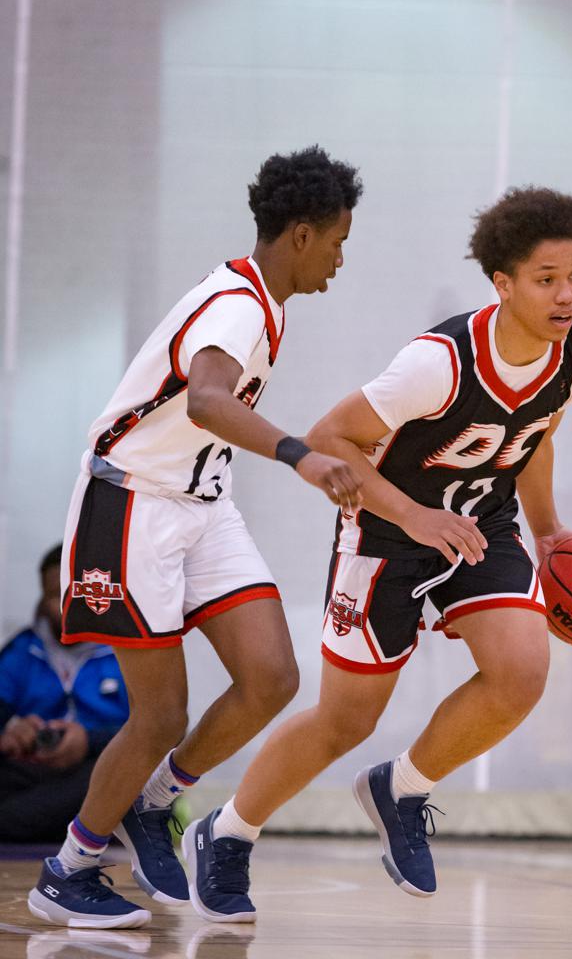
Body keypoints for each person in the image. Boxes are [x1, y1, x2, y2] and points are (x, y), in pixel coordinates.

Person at [177, 185, 572, 921]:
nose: (566, 295)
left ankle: (400, 788)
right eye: (546, 280)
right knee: (345, 721)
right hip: (384, 529)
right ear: (501, 285)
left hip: (480, 526)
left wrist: (551, 531)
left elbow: (534, 441)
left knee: (521, 672)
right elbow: (329, 436)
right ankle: (228, 832)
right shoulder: (437, 361)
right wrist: (414, 516)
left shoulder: (571, 360)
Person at [28, 146, 364, 929]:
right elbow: (209, 402)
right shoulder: (238, 306)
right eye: (341, 241)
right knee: (159, 717)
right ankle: (67, 869)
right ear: (304, 233)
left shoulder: (261, 301)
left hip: (202, 503)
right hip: (132, 506)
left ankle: (157, 801)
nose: (342, 259)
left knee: (272, 677)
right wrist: (300, 455)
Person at [0, 544, 128, 842]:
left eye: (72, 595)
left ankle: (20, 821)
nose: (64, 607)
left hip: (98, 769)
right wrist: (12, 732)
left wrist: (88, 741)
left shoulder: (125, 651)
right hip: (35, 772)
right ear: (41, 598)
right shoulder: (22, 649)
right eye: (54, 596)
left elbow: (162, 727)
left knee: (123, 777)